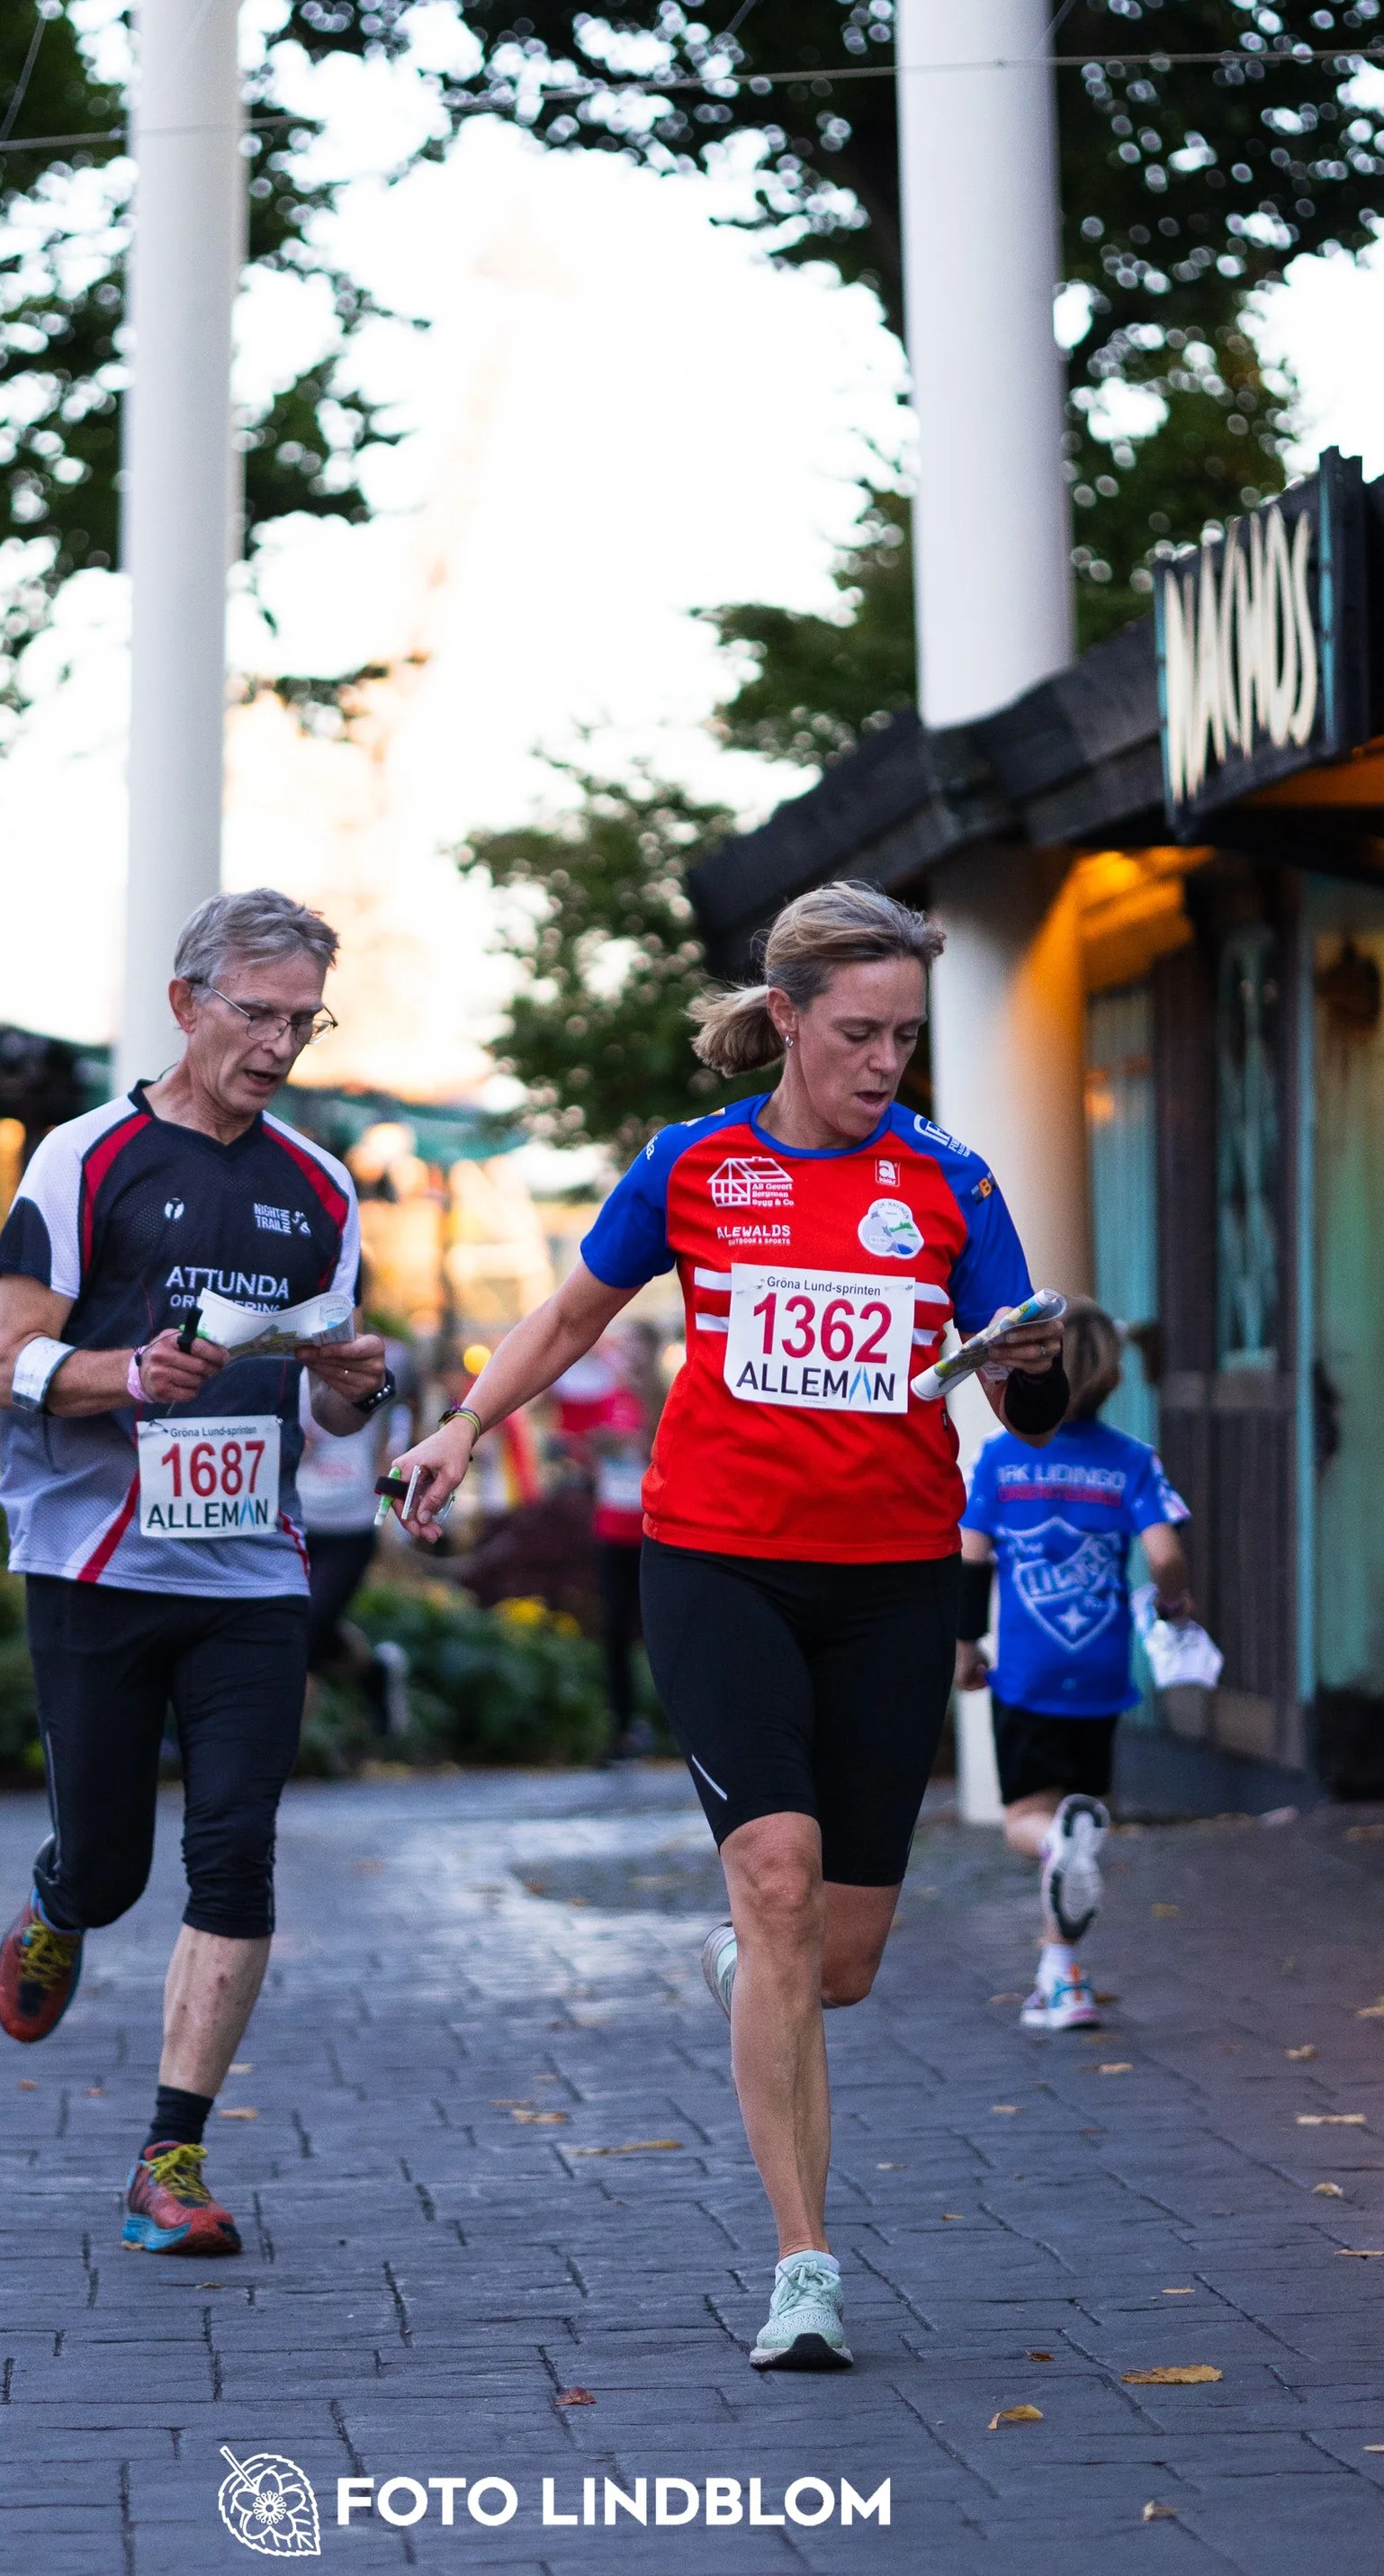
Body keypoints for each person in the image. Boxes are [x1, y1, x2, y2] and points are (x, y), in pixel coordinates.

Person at [390, 881, 1067, 2373]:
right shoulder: (694, 1165)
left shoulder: (952, 1182)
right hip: (717, 1564)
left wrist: (1039, 1363)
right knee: (777, 1877)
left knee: (839, 1962)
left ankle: (756, 1964)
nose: (885, 1061)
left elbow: (1025, 1396)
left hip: (890, 1578)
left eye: (906, 1035)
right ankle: (804, 2266)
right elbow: (568, 1319)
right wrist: (463, 1425)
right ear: (786, 1018)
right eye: (859, 1032)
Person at [0, 887, 391, 2261]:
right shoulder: (83, 1157)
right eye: (257, 1013)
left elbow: (330, 1401)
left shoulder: (319, 1185)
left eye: (303, 1021)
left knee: (234, 1849)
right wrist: (126, 1375)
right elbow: (8, 1359)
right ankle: (61, 1901)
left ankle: (171, 2156)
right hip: (94, 1557)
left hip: (252, 1571)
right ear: (186, 1003)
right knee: (111, 1866)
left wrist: (358, 1383)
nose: (279, 1045)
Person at [956, 1300, 1193, 2032]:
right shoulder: (1132, 1459)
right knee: (1081, 1825)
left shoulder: (999, 1458)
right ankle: (1061, 1979)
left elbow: (970, 1559)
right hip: (1099, 1674)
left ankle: (1056, 1849)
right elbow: (1164, 1555)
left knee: (1028, 1822)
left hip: (1027, 1674)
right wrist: (1174, 1602)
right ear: (1114, 1375)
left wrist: (965, 1645)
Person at [298, 1342, 417, 1734]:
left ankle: (290, 1750)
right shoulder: (272, 1352)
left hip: (352, 1523)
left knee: (306, 1630)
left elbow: (408, 1418)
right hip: (293, 1518)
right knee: (294, 1623)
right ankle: (373, 1674)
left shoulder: (391, 1357)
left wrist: (396, 1503)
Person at [551, 1329, 656, 1760]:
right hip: (613, 1526)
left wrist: (636, 1446)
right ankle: (624, 1726)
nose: (625, 1358)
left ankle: (674, 1723)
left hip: (656, 1531)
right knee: (614, 1628)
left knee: (662, 1630)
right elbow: (582, 1448)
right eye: (623, 1350)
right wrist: (590, 1453)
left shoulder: (664, 1396)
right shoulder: (605, 1398)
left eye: (635, 1350)